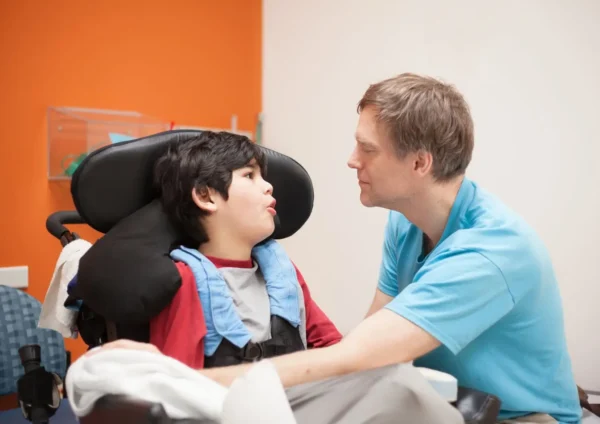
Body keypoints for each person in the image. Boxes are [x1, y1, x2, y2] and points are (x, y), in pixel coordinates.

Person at [94, 74, 581, 423]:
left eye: (367, 149)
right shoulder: (406, 225)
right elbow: (365, 344)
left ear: (419, 164)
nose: (351, 161)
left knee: (398, 392)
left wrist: (171, 381)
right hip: (445, 400)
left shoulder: (491, 250)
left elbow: (355, 356)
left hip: (519, 417)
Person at [147, 131, 343, 369]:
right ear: (205, 195)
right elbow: (179, 386)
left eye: (263, 176)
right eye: (249, 175)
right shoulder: (186, 282)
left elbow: (335, 351)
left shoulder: (283, 274)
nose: (269, 186)